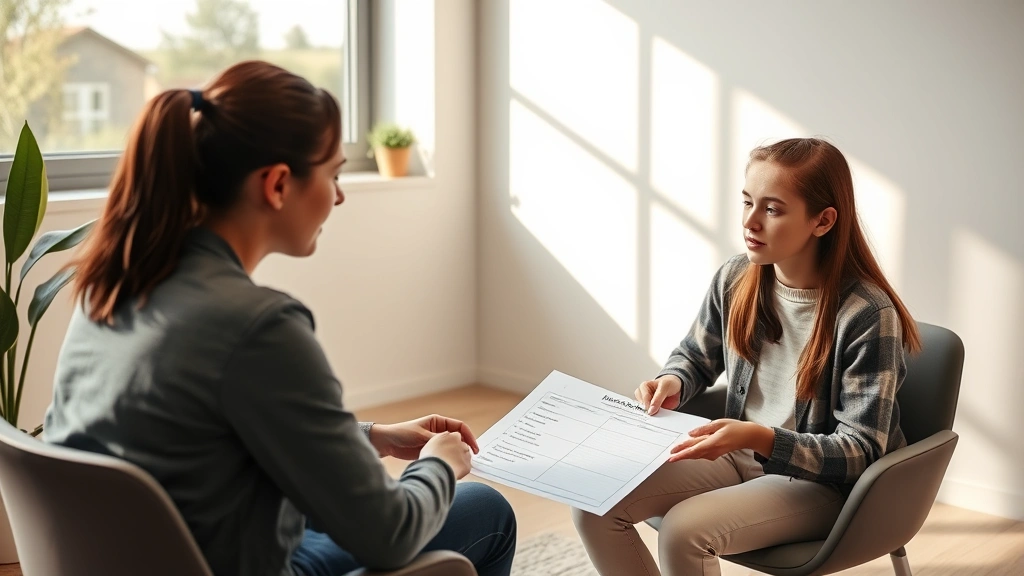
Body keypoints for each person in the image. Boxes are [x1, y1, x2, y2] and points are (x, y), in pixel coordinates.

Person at [43, 60, 516, 576]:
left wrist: (372, 436)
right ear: (277, 184)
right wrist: (440, 464)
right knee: (484, 510)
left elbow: (214, 437)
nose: (338, 195)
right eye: (333, 174)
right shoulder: (258, 327)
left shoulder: (110, 285)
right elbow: (389, 536)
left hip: (156, 555)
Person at [572, 138, 920, 575]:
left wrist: (758, 438)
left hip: (823, 484)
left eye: (773, 210)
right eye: (747, 202)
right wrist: (675, 381)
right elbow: (696, 355)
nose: (750, 222)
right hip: (736, 457)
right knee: (594, 500)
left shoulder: (867, 315)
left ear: (823, 220)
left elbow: (862, 451)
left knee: (684, 532)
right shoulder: (738, 277)